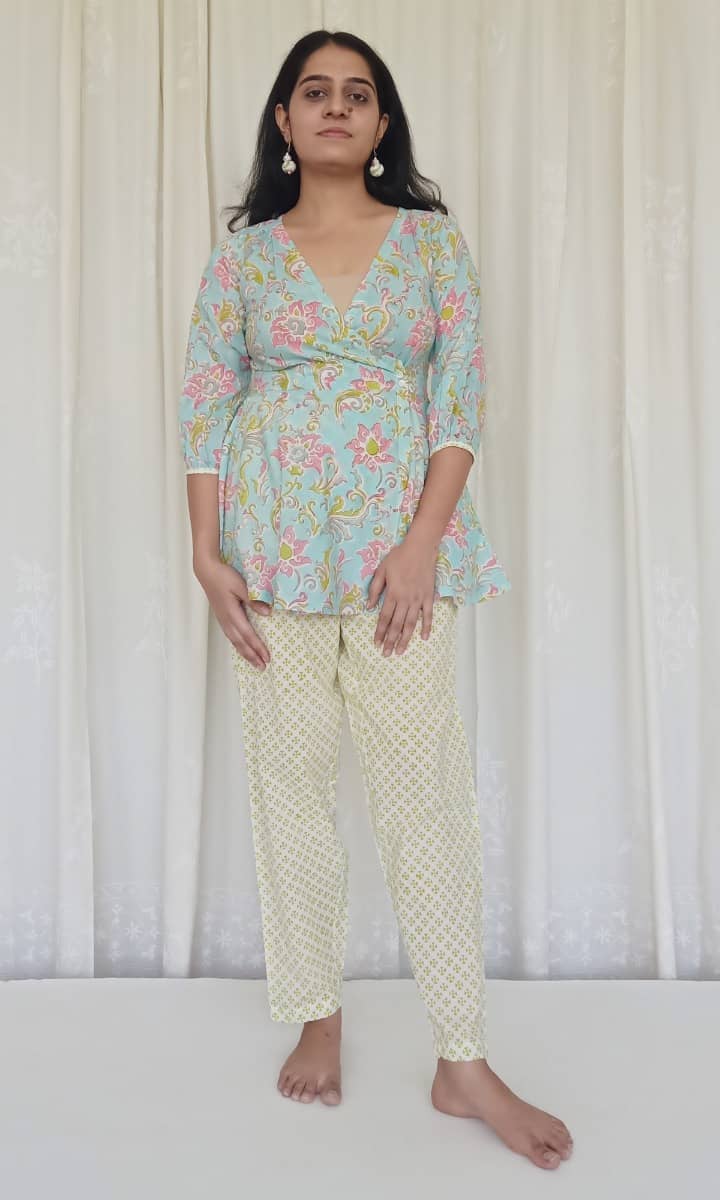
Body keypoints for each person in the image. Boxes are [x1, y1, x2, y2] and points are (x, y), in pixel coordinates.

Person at [178, 29, 573, 1171]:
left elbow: (460, 398)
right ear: (284, 119)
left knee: (422, 797)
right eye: (315, 92)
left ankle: (462, 1057)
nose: (336, 108)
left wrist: (423, 544)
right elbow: (206, 403)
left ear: (383, 122)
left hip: (400, 557)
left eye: (358, 94)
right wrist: (206, 553)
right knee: (289, 791)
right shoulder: (246, 257)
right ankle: (317, 1012)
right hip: (272, 555)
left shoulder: (432, 242)